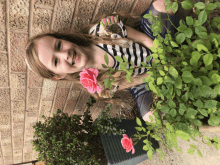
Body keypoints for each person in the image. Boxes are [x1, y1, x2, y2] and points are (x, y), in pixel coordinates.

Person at [25, 0, 179, 122]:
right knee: (151, 117)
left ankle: (176, 42)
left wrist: (161, 53)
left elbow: (142, 38)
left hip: (151, 43)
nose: (65, 54)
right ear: (57, 76)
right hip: (144, 76)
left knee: (163, 4)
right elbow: (134, 81)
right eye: (56, 62)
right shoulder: (96, 85)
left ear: (62, 38)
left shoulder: (101, 30)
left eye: (58, 45)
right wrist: (160, 71)